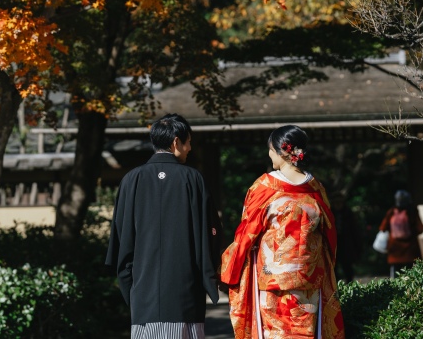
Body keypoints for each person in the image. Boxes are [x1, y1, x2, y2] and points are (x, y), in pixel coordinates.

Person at [219, 125, 344, 339]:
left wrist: (231, 267)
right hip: (309, 277)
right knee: (305, 332)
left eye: (270, 149)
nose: (269, 154)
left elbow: (247, 233)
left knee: (276, 333)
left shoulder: (264, 187)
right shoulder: (315, 189)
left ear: (280, 151)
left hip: (272, 279)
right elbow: (329, 234)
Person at [105, 113, 222, 339]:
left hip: (142, 286)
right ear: (176, 142)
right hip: (185, 286)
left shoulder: (131, 179)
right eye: (188, 142)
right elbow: (211, 231)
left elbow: (120, 236)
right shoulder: (192, 178)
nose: (190, 148)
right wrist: (211, 272)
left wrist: (128, 282)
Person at [379, 189, 423, 278]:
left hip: (395, 251)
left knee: (396, 278)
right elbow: (420, 228)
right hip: (411, 251)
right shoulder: (412, 212)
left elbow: (383, 228)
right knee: (412, 277)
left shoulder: (391, 212)